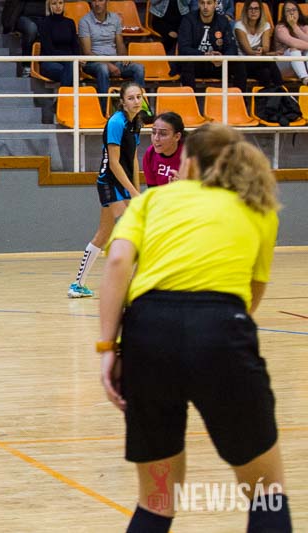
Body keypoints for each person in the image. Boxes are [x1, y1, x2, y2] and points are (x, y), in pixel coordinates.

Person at [97, 122, 291, 532]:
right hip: (221, 327)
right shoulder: (257, 206)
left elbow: (117, 263)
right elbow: (252, 293)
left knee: (155, 503)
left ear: (188, 163)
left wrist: (107, 348)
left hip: (148, 334)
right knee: (267, 494)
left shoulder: (153, 201)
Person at [68, 81, 143, 298]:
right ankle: (124, 283)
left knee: (105, 233)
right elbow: (114, 163)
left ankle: (78, 284)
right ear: (122, 102)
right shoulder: (116, 122)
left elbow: (133, 159)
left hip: (123, 183)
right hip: (109, 182)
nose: (136, 101)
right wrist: (132, 192)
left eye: (139, 97)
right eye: (131, 98)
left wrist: (137, 189)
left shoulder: (136, 123)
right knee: (128, 229)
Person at [79, 0, 145, 111]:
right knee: (103, 68)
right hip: (93, 63)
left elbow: (120, 43)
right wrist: (108, 65)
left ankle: (140, 109)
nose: (97, 4)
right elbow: (87, 52)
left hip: (114, 61)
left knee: (138, 68)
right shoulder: (84, 21)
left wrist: (124, 57)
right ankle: (105, 110)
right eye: (94, 1)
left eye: (100, 0)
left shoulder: (115, 19)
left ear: (106, 2)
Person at [178, 0, 248, 93]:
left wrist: (222, 58)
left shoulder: (222, 20)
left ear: (215, 4)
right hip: (197, 64)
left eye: (209, 3)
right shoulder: (188, 20)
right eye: (202, 3)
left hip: (217, 64)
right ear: (198, 4)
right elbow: (183, 48)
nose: (205, 7)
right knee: (186, 63)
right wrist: (204, 55)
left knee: (239, 65)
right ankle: (190, 100)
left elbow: (232, 47)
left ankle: (240, 100)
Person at [235, 0, 284, 86]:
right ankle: (282, 90)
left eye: (256, 9)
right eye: (250, 9)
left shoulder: (266, 25)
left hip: (258, 62)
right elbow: (248, 51)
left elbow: (266, 48)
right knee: (270, 62)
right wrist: (264, 52)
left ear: (261, 11)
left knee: (266, 72)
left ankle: (271, 93)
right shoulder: (239, 26)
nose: (253, 11)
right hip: (243, 63)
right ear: (246, 11)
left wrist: (263, 50)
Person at [38, 0, 81, 86]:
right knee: (69, 71)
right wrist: (70, 57)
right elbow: (49, 50)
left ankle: (63, 94)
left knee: (70, 68)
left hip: (69, 61)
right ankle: (68, 94)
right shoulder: (45, 23)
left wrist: (77, 58)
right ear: (49, 6)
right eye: (54, 3)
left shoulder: (70, 22)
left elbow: (75, 45)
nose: (58, 6)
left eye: (60, 3)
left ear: (64, 5)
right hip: (49, 61)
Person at [0, 0, 47, 77]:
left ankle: (46, 67)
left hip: (43, 17)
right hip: (23, 17)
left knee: (49, 29)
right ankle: (26, 65)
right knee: (31, 28)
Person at [142, 112, 184, 188]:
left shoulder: (189, 154)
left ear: (177, 137)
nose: (156, 138)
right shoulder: (150, 153)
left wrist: (183, 186)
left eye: (163, 134)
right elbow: (152, 189)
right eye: (154, 132)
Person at [273, 1, 308, 85]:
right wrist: (293, 26)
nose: (292, 13)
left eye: (294, 10)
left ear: (298, 12)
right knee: (294, 49)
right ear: (284, 15)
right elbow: (292, 42)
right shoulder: (280, 28)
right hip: (283, 65)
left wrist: (295, 27)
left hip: (302, 65)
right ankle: (305, 79)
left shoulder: (305, 26)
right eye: (288, 11)